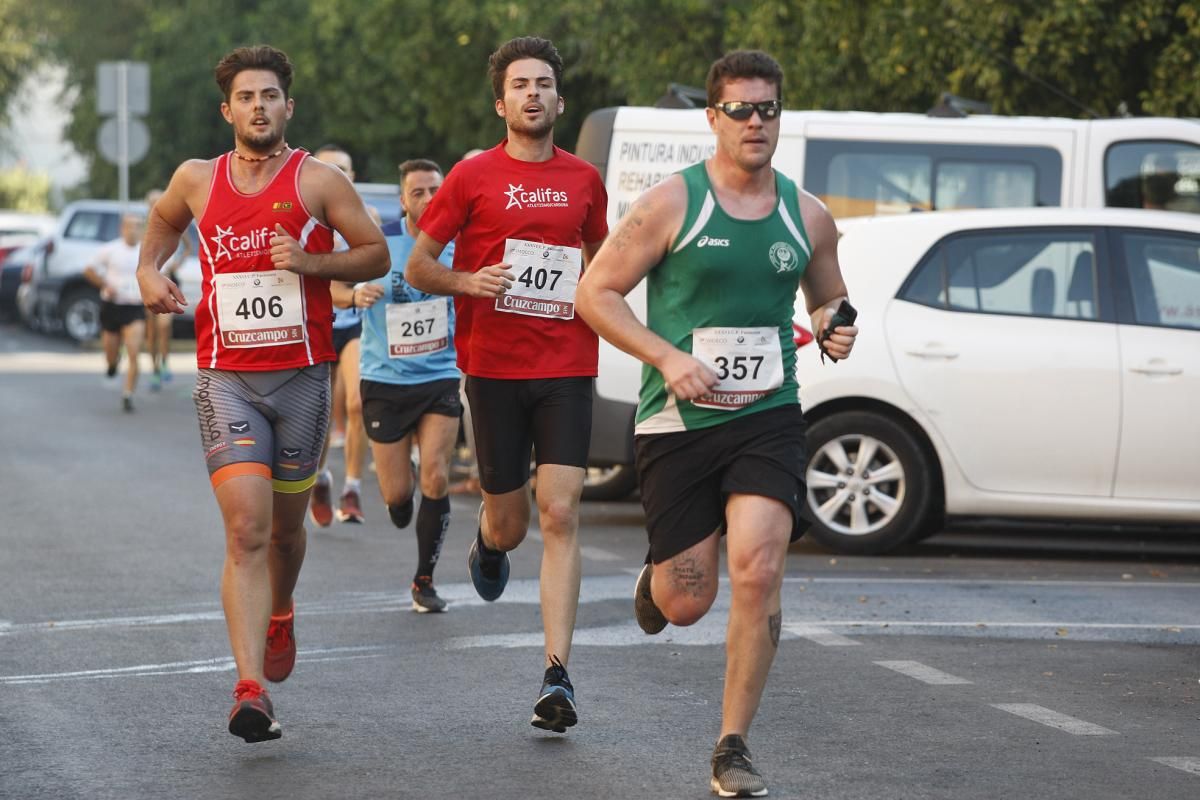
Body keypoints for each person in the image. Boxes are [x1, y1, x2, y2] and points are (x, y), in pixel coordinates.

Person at [575, 50, 859, 797]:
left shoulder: (807, 215)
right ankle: (657, 579)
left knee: (760, 570)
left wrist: (834, 325)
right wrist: (666, 358)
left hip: (768, 416)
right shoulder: (672, 204)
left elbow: (827, 298)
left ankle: (732, 745)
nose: (756, 122)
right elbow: (595, 293)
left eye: (768, 108)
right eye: (741, 110)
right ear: (713, 118)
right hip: (678, 423)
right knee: (686, 601)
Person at [136, 45, 388, 743]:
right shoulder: (195, 178)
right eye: (246, 97)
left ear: (288, 106)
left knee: (284, 531)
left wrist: (310, 261)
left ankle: (281, 609)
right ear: (228, 110)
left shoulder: (318, 182)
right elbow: (161, 223)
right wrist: (147, 271)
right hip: (227, 377)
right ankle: (249, 690)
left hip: (304, 378)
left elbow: (376, 254)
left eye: (269, 95)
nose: (258, 107)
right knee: (246, 528)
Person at [406, 36, 608, 733]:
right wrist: (469, 280)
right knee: (515, 521)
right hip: (492, 369)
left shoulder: (585, 180)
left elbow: (604, 265)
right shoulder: (470, 178)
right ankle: (490, 543)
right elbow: (418, 266)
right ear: (502, 102)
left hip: (567, 366)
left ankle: (558, 675)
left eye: (543, 83)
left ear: (558, 99)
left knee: (560, 512)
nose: (532, 93)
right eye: (520, 83)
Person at [350, 158, 460, 613]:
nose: (429, 199)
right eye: (418, 192)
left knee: (435, 474)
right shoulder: (381, 243)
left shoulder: (459, 245)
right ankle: (401, 500)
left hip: (440, 375)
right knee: (398, 497)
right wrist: (353, 294)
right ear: (403, 200)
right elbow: (335, 287)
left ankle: (424, 580)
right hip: (385, 379)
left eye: (436, 190)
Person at [307, 143, 370, 525]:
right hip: (316, 325)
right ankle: (319, 478)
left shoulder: (367, 217)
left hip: (355, 324)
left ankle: (352, 489)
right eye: (329, 169)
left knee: (357, 403)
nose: (337, 175)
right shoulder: (305, 220)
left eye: (344, 169)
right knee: (320, 413)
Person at [84, 213, 146, 412]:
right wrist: (105, 285)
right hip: (112, 305)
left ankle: (128, 394)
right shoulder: (111, 250)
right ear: (122, 229)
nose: (133, 230)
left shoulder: (146, 252)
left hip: (135, 306)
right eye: (130, 226)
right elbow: (89, 270)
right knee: (110, 351)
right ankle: (112, 363)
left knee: (134, 352)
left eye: (137, 226)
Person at [141, 188, 188, 391]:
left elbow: (188, 247)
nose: (154, 206)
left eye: (158, 202)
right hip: (148, 284)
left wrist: (177, 263)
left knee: (164, 327)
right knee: (151, 332)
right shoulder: (143, 228)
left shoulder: (173, 223)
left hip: (168, 281)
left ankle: (166, 362)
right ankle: (154, 370)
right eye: (151, 203)